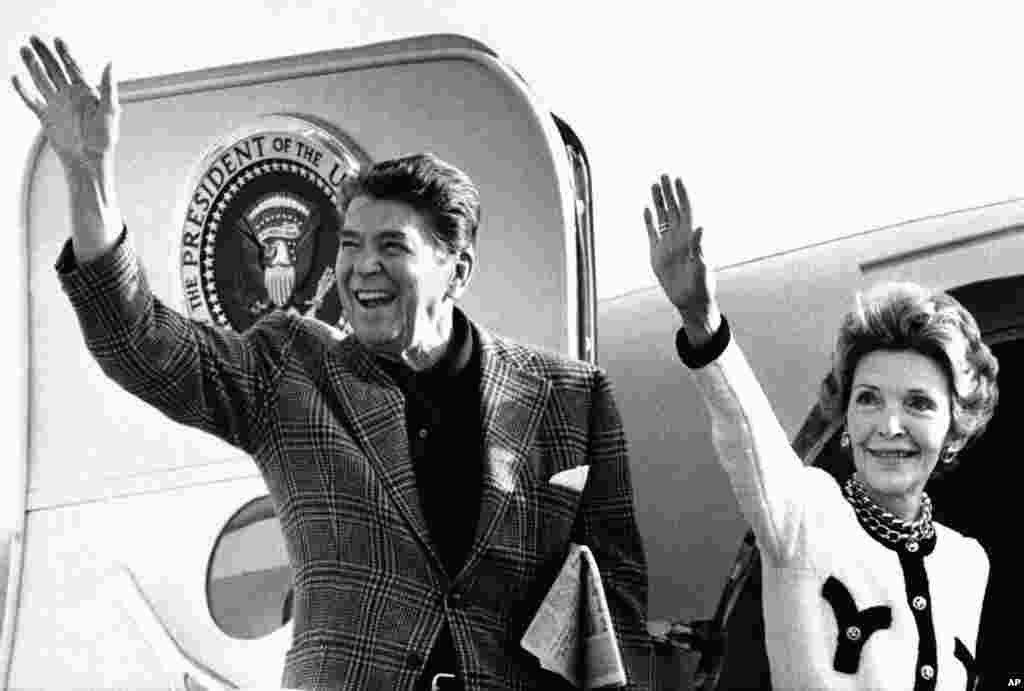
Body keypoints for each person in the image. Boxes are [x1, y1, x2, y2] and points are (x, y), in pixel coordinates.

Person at [12, 36, 656, 691]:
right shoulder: (291, 369)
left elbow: (618, 608)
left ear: (456, 270)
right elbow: (140, 344)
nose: (360, 266)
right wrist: (87, 178)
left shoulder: (571, 396)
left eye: (391, 246)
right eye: (350, 244)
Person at [643, 174, 997, 690]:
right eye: (868, 399)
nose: (889, 426)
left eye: (918, 403)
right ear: (847, 420)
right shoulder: (803, 515)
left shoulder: (968, 563)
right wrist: (701, 318)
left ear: (954, 428)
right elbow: (747, 434)